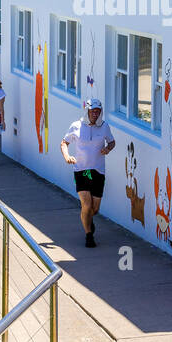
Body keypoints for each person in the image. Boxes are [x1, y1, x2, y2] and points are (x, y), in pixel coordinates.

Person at [61, 98, 115, 248]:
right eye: (93, 112)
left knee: (95, 209)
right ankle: (88, 235)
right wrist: (67, 157)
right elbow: (64, 142)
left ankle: (88, 220)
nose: (95, 115)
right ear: (87, 111)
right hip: (81, 170)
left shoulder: (104, 127)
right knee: (86, 203)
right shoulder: (76, 126)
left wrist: (108, 149)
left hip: (98, 170)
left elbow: (112, 141)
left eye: (98, 112)